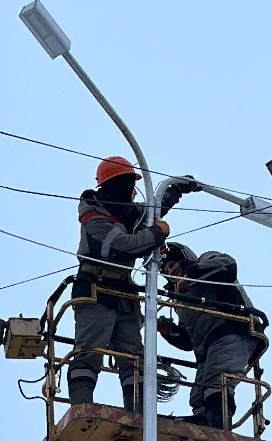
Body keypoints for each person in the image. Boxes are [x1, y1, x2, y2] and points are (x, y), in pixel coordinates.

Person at [69, 156, 194, 412]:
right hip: (95, 290)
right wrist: (158, 233)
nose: (130, 190)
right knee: (90, 350)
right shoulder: (94, 216)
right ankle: (82, 408)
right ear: (112, 185)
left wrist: (175, 190)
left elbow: (153, 211)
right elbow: (126, 243)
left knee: (134, 356)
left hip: (123, 293)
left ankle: (137, 413)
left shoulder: (124, 211)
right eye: (126, 183)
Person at [157, 244, 266, 429]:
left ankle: (220, 429)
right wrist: (169, 331)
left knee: (219, 381)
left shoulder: (206, 260)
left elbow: (227, 266)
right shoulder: (180, 300)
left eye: (173, 264)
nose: (170, 270)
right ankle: (204, 424)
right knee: (199, 395)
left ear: (184, 259)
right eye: (166, 270)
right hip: (207, 349)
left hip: (232, 331)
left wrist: (190, 276)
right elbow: (188, 340)